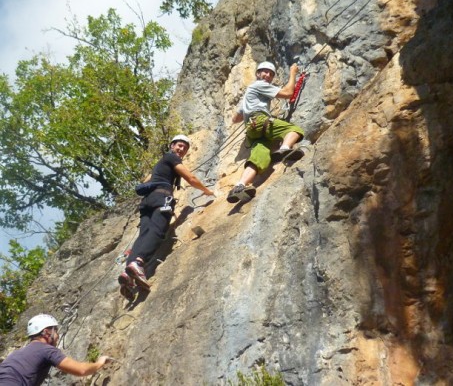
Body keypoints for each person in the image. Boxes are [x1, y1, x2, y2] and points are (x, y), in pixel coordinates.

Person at [119, 134, 215, 300]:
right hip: (161, 199)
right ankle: (139, 263)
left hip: (147, 202)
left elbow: (146, 180)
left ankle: (128, 274)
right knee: (157, 231)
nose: (181, 149)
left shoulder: (159, 164)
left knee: (144, 234)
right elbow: (190, 178)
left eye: (184, 148)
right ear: (171, 146)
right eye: (179, 145)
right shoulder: (171, 158)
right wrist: (208, 191)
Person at [227, 61, 305, 203]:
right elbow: (288, 93)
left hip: (252, 131)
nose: (267, 75)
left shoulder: (248, 94)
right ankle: (285, 149)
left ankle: (239, 186)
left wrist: (250, 108)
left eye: (270, 74)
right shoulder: (259, 85)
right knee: (294, 130)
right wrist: (293, 72)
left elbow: (235, 118)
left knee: (258, 159)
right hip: (261, 120)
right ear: (258, 74)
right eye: (264, 72)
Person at [0, 314, 109, 385]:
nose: (58, 335)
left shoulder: (16, 354)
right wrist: (99, 363)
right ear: (47, 332)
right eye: (56, 331)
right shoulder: (45, 349)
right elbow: (81, 370)